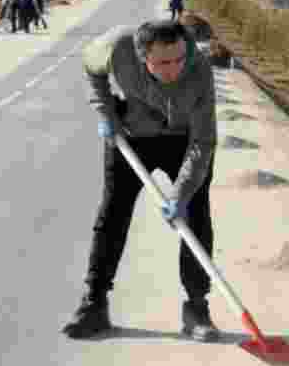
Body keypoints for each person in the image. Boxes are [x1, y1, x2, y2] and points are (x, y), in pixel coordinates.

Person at [64, 19, 218, 341]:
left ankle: (196, 307)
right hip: (132, 137)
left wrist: (180, 194)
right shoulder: (117, 48)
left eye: (179, 59)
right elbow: (90, 67)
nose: (174, 70)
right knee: (114, 213)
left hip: (184, 139)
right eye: (163, 63)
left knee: (196, 214)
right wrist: (106, 112)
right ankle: (94, 303)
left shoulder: (199, 69)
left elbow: (203, 142)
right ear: (141, 55)